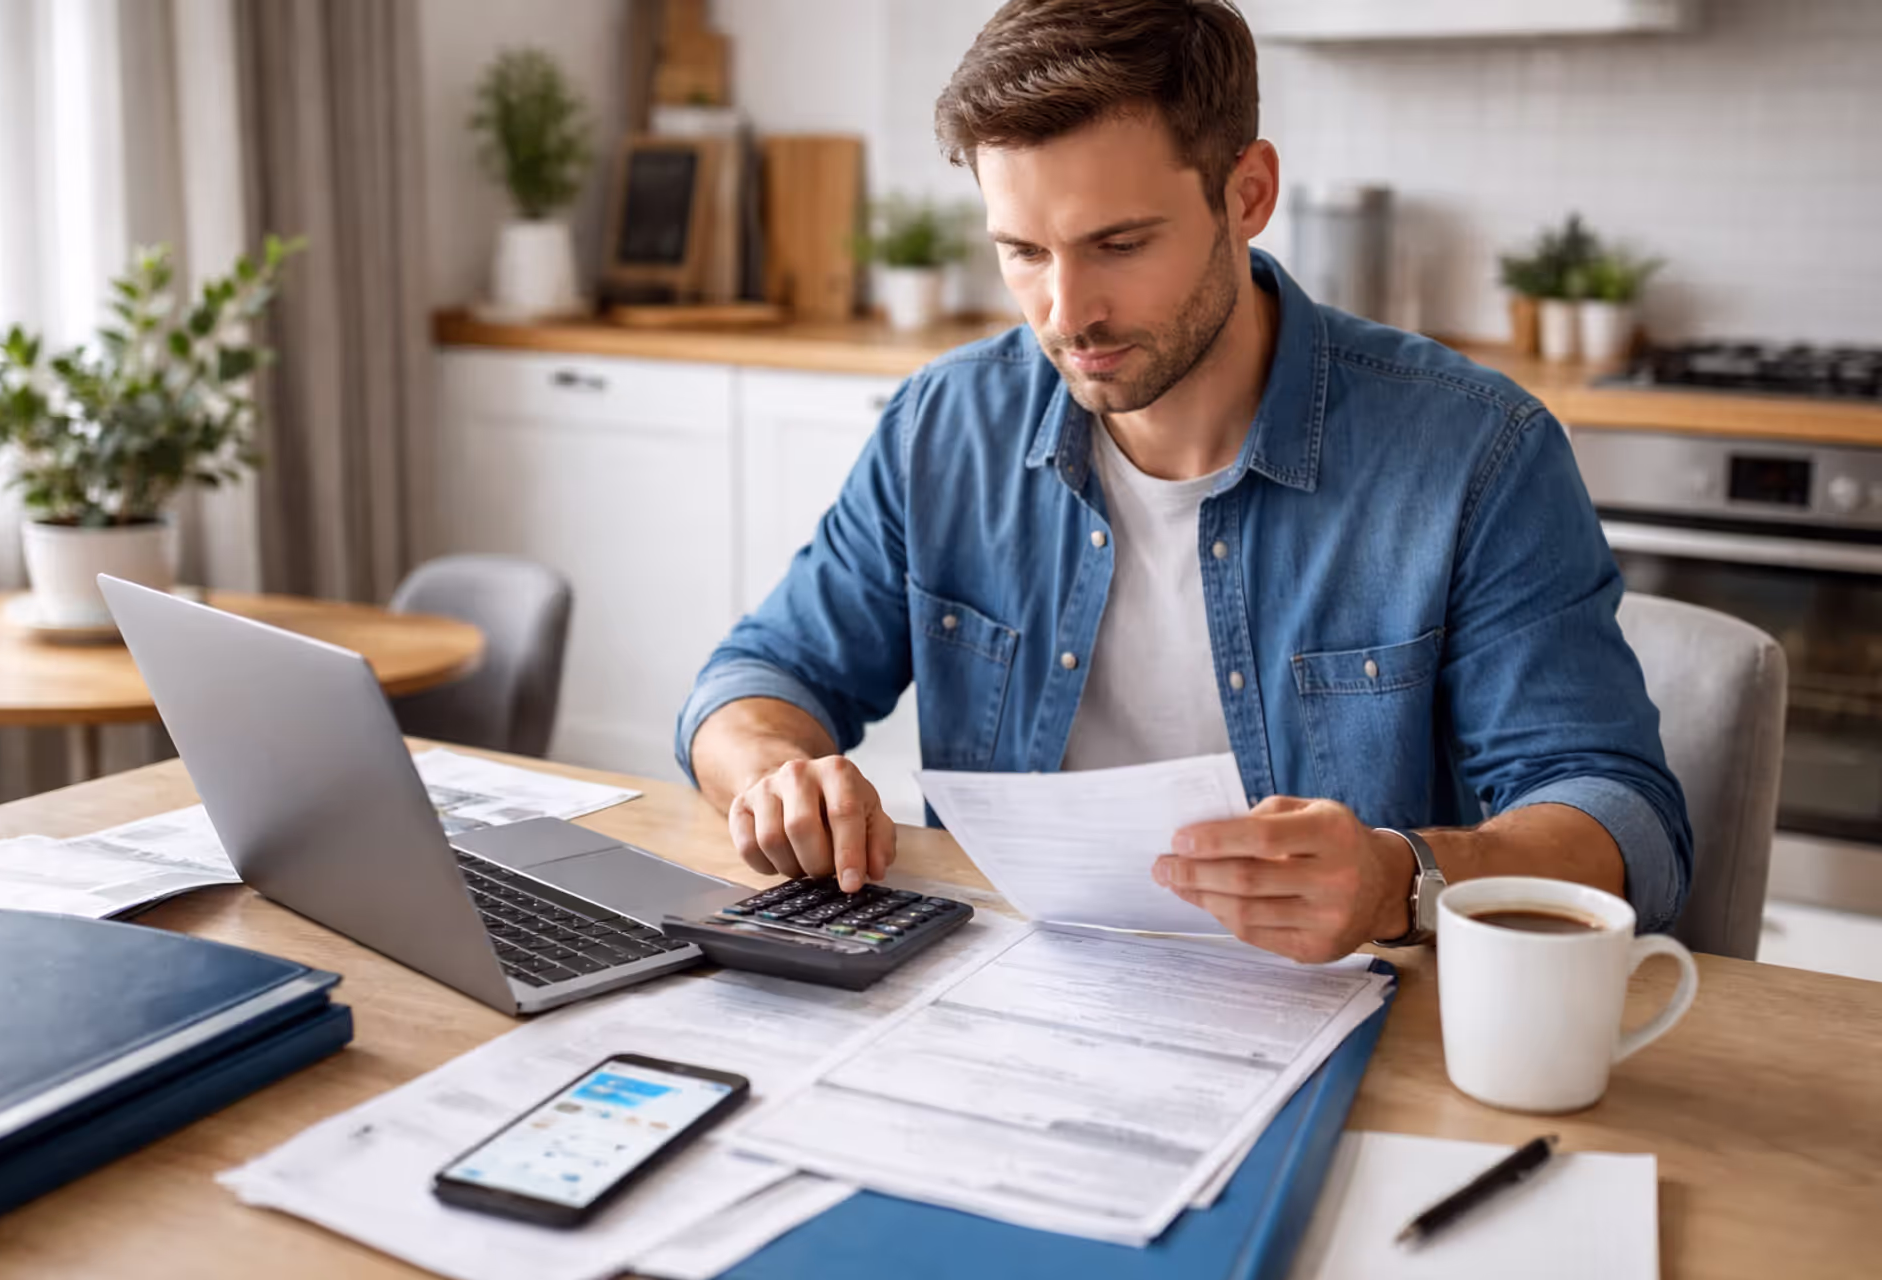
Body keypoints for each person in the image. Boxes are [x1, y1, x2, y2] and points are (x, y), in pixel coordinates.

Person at [675, 0, 1691, 963]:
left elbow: (1619, 815)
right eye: (1024, 251)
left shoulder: (1476, 451)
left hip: (1352, 1019)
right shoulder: (944, 426)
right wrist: (778, 779)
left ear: (1246, 194)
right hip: (1003, 995)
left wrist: (1400, 877)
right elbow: (753, 681)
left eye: (1119, 244)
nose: (1068, 312)